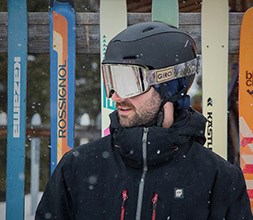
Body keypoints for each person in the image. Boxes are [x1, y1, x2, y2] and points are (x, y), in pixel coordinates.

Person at [35, 21, 253, 220]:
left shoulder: (218, 179)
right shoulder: (78, 167)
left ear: (168, 85)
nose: (115, 96)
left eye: (128, 81)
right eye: (111, 80)